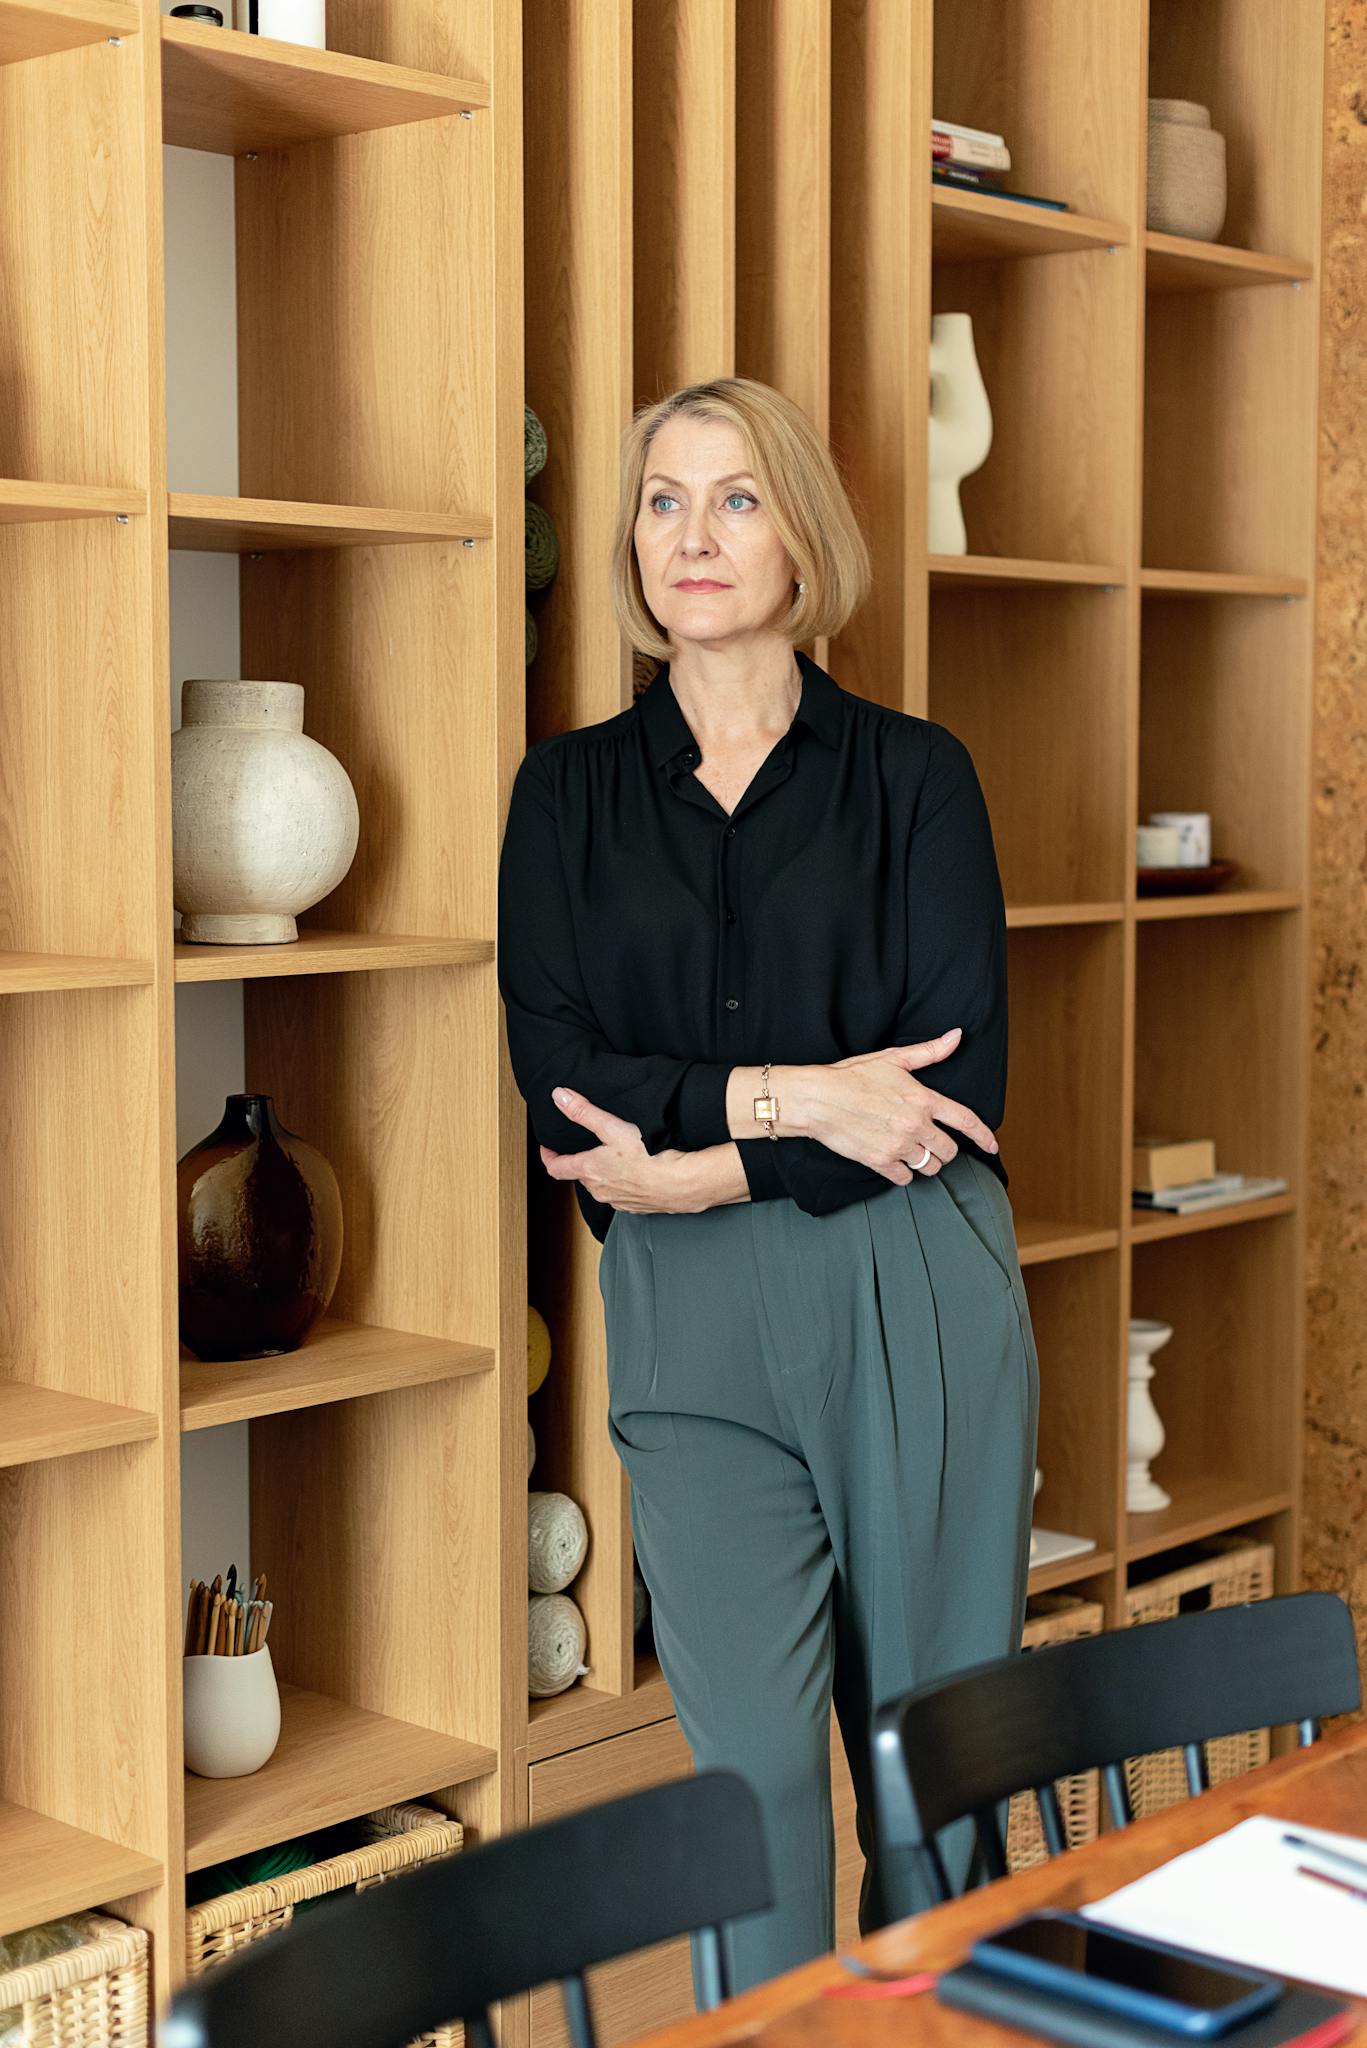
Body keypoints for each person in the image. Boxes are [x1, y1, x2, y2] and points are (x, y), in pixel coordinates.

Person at [497, 376, 1040, 1996]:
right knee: (750, 1806)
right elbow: (566, 1082)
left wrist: (698, 1163)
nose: (695, 534)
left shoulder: (917, 780)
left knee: (934, 1784)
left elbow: (947, 1106)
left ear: (802, 536)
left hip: (910, 1282)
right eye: (663, 500)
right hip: (687, 1325)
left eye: (737, 498)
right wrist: (807, 1098)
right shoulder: (566, 798)